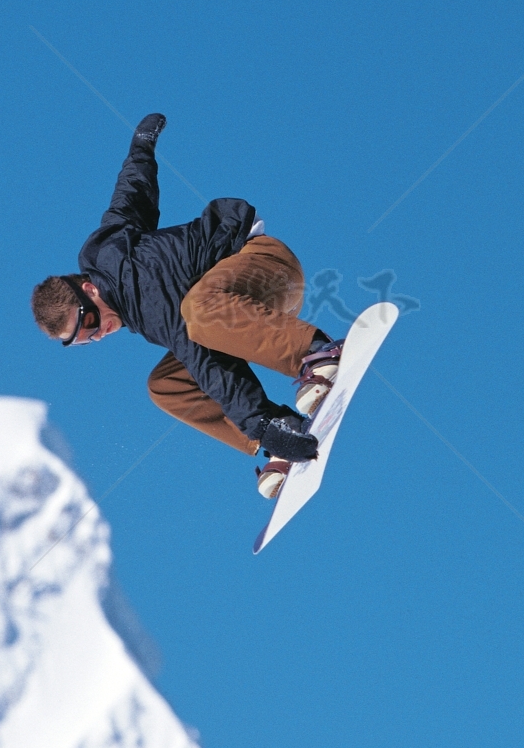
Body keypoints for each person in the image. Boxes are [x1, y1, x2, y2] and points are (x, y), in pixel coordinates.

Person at [31, 113, 344, 499]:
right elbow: (131, 198)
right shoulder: (104, 253)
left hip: (264, 266)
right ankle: (281, 430)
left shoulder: (141, 291)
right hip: (239, 310)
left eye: (90, 323)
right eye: (83, 341)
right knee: (166, 385)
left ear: (89, 290)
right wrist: (140, 149)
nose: (97, 335)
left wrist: (258, 421)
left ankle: (314, 351)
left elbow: (200, 355)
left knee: (196, 317)